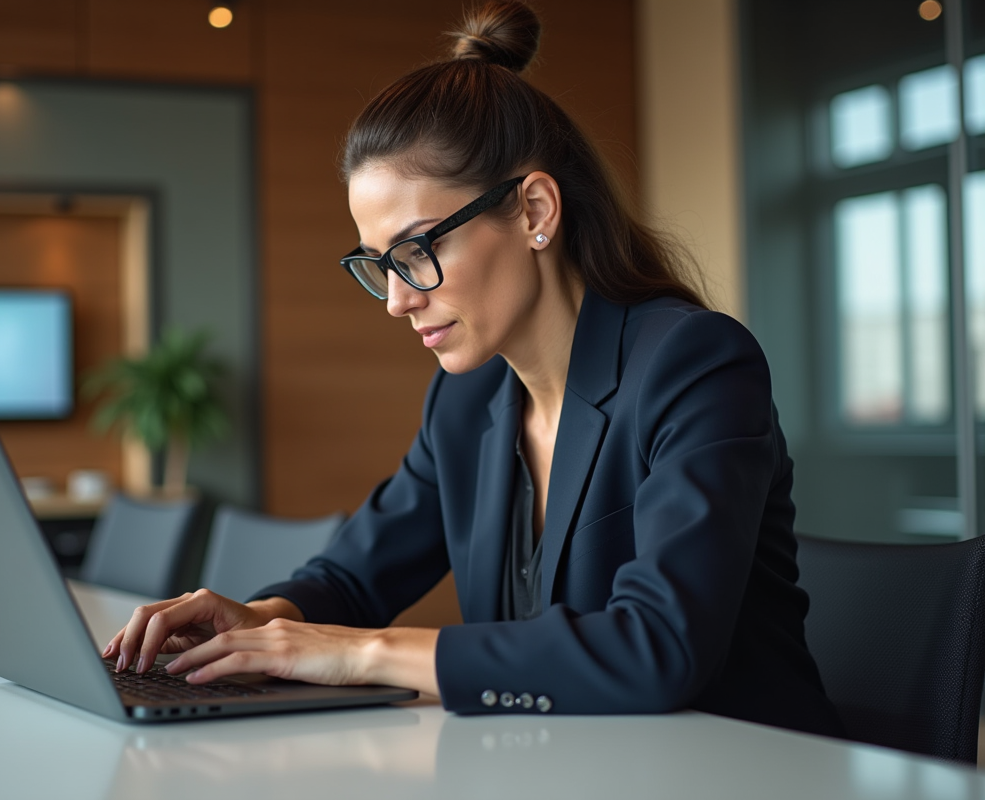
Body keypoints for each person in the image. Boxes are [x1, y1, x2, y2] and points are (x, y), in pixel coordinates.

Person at [104, 0, 844, 737]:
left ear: (533, 211)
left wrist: (365, 654)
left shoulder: (694, 364)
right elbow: (353, 576)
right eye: (379, 265)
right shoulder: (467, 402)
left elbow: (660, 648)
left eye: (417, 253)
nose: (395, 301)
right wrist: (264, 619)